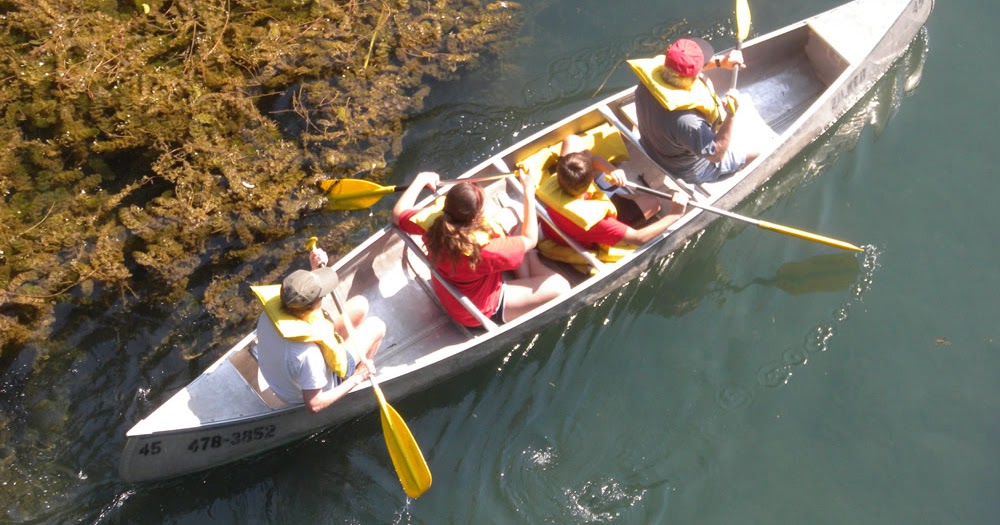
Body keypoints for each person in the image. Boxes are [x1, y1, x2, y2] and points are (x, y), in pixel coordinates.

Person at [392, 170, 571, 328]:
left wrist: (421, 178)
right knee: (561, 286)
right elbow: (530, 239)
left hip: (453, 289)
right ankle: (529, 261)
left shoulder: (433, 223)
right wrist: (528, 192)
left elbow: (397, 214)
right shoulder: (484, 250)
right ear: (474, 218)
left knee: (511, 213)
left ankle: (524, 264)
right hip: (476, 312)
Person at [252, 253, 385, 413]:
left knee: (360, 304)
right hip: (300, 392)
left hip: (284, 372)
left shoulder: (269, 314)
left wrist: (313, 274)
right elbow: (315, 404)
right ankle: (362, 370)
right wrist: (358, 378)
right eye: (322, 295)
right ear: (311, 307)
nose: (325, 295)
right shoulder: (309, 355)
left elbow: (300, 295)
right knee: (377, 326)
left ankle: (344, 356)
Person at [534, 134, 689, 268]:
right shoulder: (598, 222)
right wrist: (675, 214)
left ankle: (610, 189)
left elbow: (590, 158)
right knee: (653, 203)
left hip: (574, 202)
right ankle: (615, 193)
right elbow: (639, 238)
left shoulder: (560, 180)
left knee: (572, 141)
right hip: (590, 223)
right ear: (590, 180)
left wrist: (612, 170)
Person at [631, 37, 761, 184]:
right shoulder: (687, 121)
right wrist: (731, 114)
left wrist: (721, 62)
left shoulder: (649, 82)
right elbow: (716, 154)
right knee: (758, 152)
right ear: (694, 78)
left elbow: (682, 69)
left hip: (655, 147)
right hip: (688, 169)